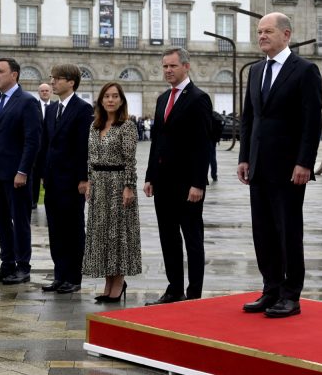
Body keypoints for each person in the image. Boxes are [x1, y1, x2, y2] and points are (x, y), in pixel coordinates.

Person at [237, 12, 322, 318]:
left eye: (268, 31)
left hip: (289, 168)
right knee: (263, 231)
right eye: (259, 32)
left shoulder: (305, 71)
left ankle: (290, 294)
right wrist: (244, 156)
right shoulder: (256, 71)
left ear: (286, 35)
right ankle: (270, 288)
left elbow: (312, 122)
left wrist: (304, 162)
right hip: (259, 165)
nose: (262, 36)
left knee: (287, 230)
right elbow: (249, 119)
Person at [144, 47, 212, 305]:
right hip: (163, 182)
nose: (168, 70)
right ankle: (174, 289)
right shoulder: (162, 99)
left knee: (192, 239)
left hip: (187, 184)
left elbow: (202, 144)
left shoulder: (198, 98)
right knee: (168, 237)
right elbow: (157, 141)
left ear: (186, 66)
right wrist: (150, 176)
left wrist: (198, 182)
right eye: (165, 66)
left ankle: (194, 294)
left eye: (172, 66)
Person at [0, 57, 42, 285]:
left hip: (16, 175)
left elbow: (32, 141)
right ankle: (6, 264)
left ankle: (22, 266)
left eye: (0, 71)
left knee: (20, 220)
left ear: (14, 74)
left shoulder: (27, 101)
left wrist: (23, 171)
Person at [83, 82, 142, 303]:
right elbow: (89, 157)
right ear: (100, 100)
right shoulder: (94, 126)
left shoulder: (126, 126)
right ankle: (108, 283)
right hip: (98, 185)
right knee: (101, 235)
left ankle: (118, 283)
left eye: (115, 96)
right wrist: (89, 181)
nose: (110, 100)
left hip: (118, 184)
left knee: (118, 235)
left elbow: (130, 161)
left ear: (121, 100)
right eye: (106, 96)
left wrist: (129, 187)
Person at [38, 65, 93, 294]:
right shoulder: (51, 109)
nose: (53, 82)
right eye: (52, 78)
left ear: (71, 82)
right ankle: (59, 275)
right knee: (56, 230)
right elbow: (45, 144)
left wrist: (83, 178)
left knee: (72, 229)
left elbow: (83, 146)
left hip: (72, 181)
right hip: (52, 179)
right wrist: (42, 172)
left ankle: (74, 277)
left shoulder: (83, 109)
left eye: (57, 78)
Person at [32, 82, 52, 209]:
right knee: (34, 176)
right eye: (42, 91)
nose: (44, 92)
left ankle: (50, 202)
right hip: (36, 148)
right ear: (39, 92)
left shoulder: (56, 106)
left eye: (46, 90)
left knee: (49, 176)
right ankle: (33, 201)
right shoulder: (33, 106)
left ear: (50, 92)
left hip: (50, 148)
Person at [209, 110, 224, 182]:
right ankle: (214, 175)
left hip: (207, 139)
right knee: (213, 159)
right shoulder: (216, 116)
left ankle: (204, 176)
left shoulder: (207, 115)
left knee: (203, 159)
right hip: (213, 140)